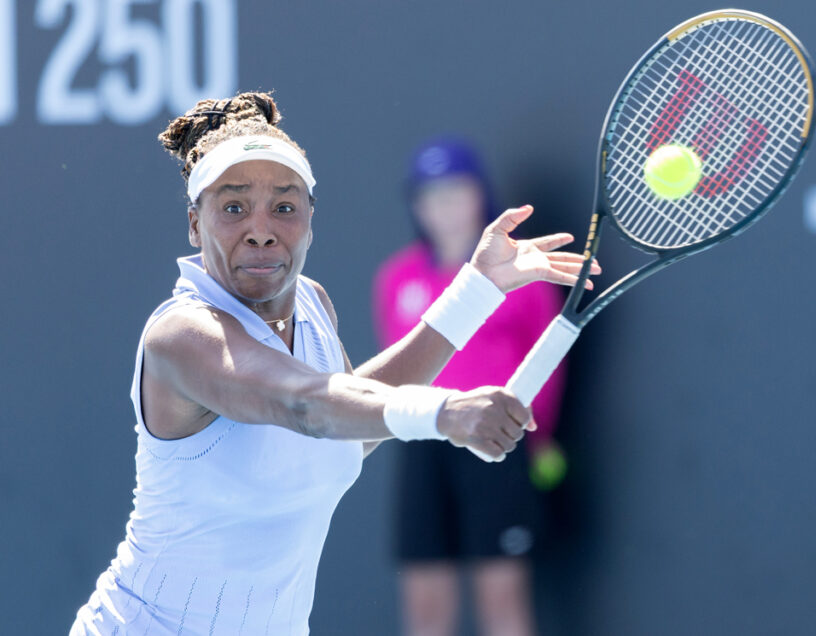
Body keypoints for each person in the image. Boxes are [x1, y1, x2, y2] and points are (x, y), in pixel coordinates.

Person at [69, 92, 597, 635]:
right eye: (232, 207)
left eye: (284, 206)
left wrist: (477, 290)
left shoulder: (314, 306)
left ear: (310, 220)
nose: (260, 228)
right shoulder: (181, 336)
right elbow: (304, 404)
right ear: (193, 224)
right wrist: (446, 411)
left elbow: (344, 430)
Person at [374, 138, 567, 636]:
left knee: (501, 597)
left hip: (497, 445)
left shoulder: (524, 276)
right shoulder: (397, 278)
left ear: (481, 196)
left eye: (457, 192)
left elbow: (546, 367)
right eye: (432, 196)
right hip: (421, 442)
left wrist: (533, 439)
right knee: (424, 602)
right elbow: (397, 369)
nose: (445, 207)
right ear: (417, 207)